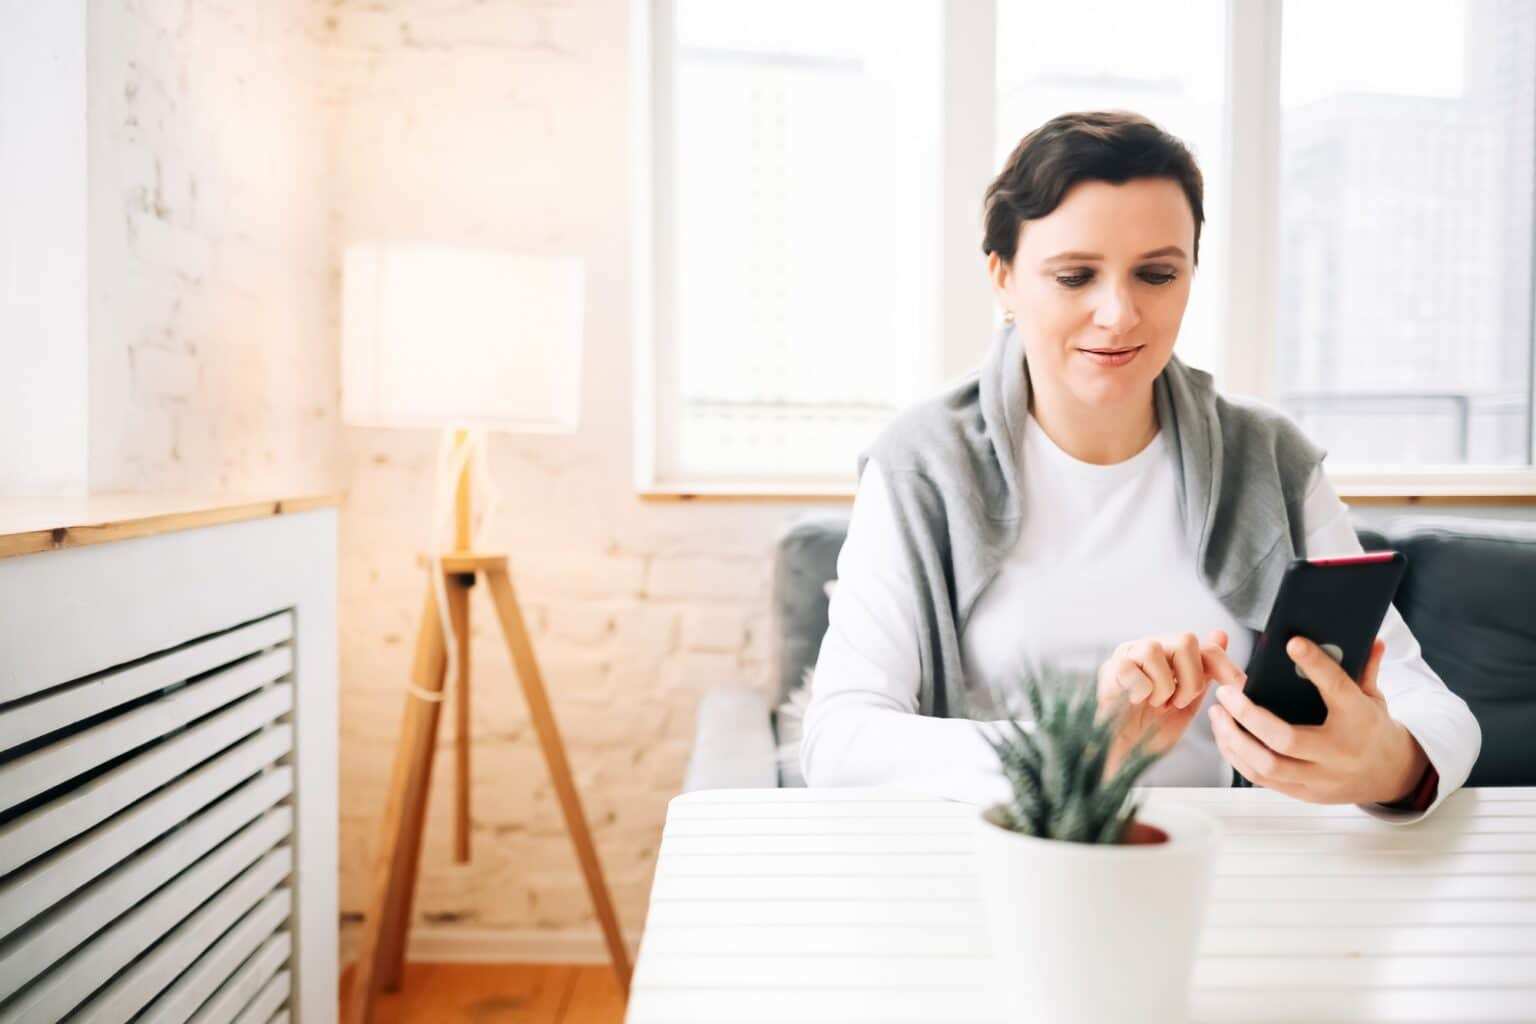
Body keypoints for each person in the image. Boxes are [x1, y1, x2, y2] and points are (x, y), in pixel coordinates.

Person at [798, 110, 1481, 822]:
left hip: (1232, 872)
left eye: (1156, 274)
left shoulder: (1268, 457)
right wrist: (1074, 748)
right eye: (1074, 276)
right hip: (1000, 870)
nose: (1119, 314)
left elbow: (1434, 707)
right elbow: (839, 742)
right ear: (1002, 278)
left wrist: (1393, 764)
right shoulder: (922, 467)